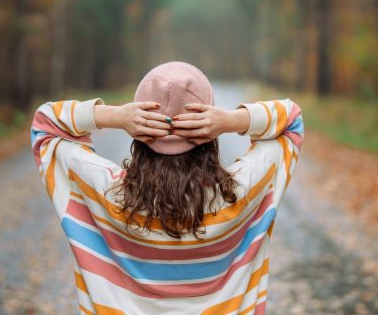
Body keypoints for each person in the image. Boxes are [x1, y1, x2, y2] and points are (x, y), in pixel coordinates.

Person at [30, 61, 304, 314]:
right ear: (210, 132)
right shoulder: (243, 191)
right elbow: (291, 121)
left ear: (138, 132)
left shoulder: (104, 193)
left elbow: (45, 124)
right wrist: (231, 121)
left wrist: (115, 116)